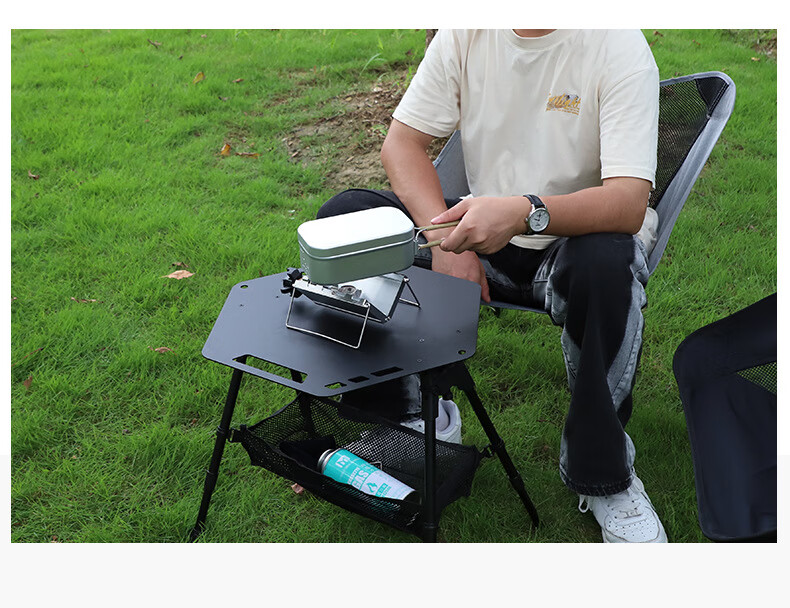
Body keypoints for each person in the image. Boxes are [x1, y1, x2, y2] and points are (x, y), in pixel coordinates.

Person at [316, 29, 667, 543]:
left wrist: (525, 212)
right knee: (348, 220)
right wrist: (443, 242)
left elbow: (628, 201)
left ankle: (605, 478)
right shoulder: (467, 30)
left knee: (607, 262)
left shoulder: (617, 44)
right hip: (480, 230)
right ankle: (414, 421)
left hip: (576, 237)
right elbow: (402, 144)